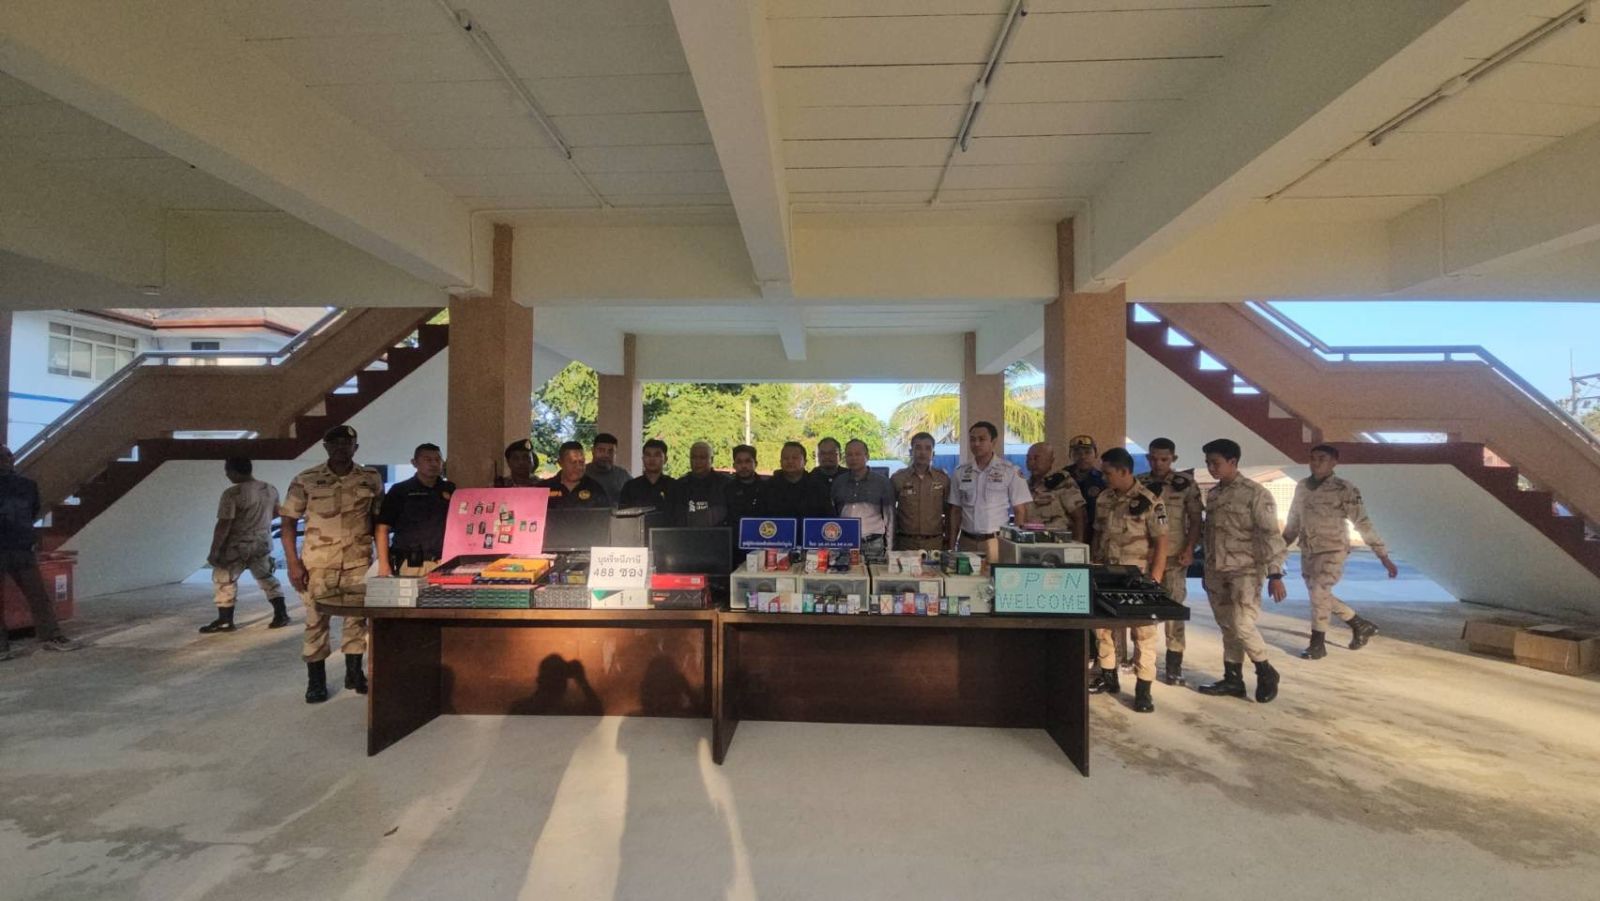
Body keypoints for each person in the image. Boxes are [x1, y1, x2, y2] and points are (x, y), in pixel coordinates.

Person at [279, 425, 383, 703]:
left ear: (355, 448)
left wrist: (381, 561)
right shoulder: (306, 479)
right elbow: (288, 523)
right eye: (334, 443)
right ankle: (316, 681)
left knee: (357, 619)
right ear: (325, 447)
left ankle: (354, 673)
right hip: (318, 564)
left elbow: (377, 520)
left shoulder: (370, 478)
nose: (341, 448)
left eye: (346, 443)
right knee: (316, 620)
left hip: (358, 562)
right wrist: (293, 562)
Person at [1196, 438, 1289, 704]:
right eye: (1208, 463)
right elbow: (1210, 535)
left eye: (1215, 463)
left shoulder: (1256, 494)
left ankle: (1265, 669)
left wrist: (1275, 574)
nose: (1211, 468)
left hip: (1245, 570)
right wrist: (1205, 570)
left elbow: (1271, 535)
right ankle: (1233, 678)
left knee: (1242, 624)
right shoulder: (1214, 494)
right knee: (1227, 625)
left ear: (1233, 462)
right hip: (1217, 570)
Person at [1283, 443, 1393, 659]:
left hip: (1333, 548)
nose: (1315, 463)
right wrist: (1279, 546)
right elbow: (1293, 520)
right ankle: (1359, 624)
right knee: (1319, 595)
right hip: (1309, 549)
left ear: (1334, 462)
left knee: (1318, 592)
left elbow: (1362, 522)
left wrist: (1382, 554)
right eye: (1313, 458)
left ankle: (1317, 644)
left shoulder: (1344, 489)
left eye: (1322, 459)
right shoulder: (1302, 486)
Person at [1088, 448, 1168, 713]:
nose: (1104, 477)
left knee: (1143, 633)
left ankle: (1143, 690)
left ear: (1124, 471)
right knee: (1103, 629)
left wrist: (1155, 579)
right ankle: (1108, 676)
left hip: (1137, 577)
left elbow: (1161, 542)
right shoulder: (1104, 498)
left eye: (1108, 473)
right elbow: (1098, 535)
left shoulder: (1150, 501)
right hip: (1106, 572)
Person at [0, 446, 80, 659]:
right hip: (22, 546)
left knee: (38, 595)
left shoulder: (27, 485)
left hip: (18, 546)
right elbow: (33, 511)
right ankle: (51, 636)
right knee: (38, 596)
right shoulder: (27, 485)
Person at [1140, 437, 1203, 685]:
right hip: (1147, 556)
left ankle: (1174, 664)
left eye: (1164, 459)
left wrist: (1190, 548)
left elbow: (1195, 520)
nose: (1158, 464)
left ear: (1173, 459)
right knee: (1145, 609)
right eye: (1154, 459)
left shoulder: (1185, 484)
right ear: (1148, 458)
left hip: (1175, 556)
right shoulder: (1140, 483)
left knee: (1175, 609)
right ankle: (1142, 660)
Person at [199, 457, 288, 634]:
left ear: (233, 471)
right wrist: (260, 523)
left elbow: (224, 523)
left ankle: (225, 620)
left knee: (224, 579)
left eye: (227, 471)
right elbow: (277, 512)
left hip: (237, 542)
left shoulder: (233, 493)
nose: (227, 475)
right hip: (262, 540)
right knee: (266, 577)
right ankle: (281, 614)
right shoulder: (269, 489)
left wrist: (215, 550)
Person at [945, 421, 1031, 559]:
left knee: (994, 573)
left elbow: (1020, 511)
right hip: (966, 541)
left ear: (993, 442)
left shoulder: (1010, 471)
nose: (976, 444)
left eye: (982, 439)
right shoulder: (960, 472)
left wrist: (1015, 544)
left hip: (996, 541)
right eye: (972, 439)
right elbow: (955, 511)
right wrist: (951, 545)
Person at [375, 443, 455, 578]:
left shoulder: (450, 489)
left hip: (443, 562)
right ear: (414, 462)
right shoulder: (400, 490)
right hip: (411, 564)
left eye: (437, 460)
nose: (434, 464)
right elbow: (382, 528)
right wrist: (383, 564)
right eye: (428, 459)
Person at [832, 438, 895, 557]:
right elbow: (834, 513)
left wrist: (890, 550)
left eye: (858, 454)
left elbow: (890, 518)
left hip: (873, 544)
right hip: (845, 542)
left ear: (867, 456)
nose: (853, 458)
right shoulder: (838, 482)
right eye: (849, 454)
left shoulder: (882, 482)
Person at [890, 432, 950, 553]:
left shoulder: (943, 479)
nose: (923, 452)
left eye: (928, 448)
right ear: (911, 452)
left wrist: (949, 540)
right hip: (905, 543)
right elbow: (889, 512)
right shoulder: (898, 478)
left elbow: (950, 512)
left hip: (934, 544)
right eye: (918, 448)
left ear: (933, 454)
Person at [1024, 441, 1086, 540]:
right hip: (1032, 542)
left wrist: (1078, 544)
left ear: (1050, 460)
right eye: (1028, 458)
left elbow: (1079, 517)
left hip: (1057, 543)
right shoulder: (1026, 485)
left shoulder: (1062, 482)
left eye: (1036, 458)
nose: (1031, 462)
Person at [760, 441, 833, 519]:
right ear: (780, 462)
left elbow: (828, 519)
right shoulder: (769, 487)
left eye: (795, 458)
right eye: (786, 458)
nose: (790, 461)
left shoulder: (818, 487)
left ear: (805, 461)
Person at [668, 441, 729, 526]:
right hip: (687, 533)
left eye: (702, 458)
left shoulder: (725, 485)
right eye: (694, 457)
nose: (698, 461)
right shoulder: (679, 486)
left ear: (711, 460)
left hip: (719, 533)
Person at [1066, 434, 1108, 549]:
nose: (1082, 457)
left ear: (1096, 454)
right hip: (1067, 534)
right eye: (1077, 453)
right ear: (1070, 455)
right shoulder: (1062, 478)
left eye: (1087, 452)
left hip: (1094, 534)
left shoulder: (1103, 480)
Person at [540, 441, 610, 509]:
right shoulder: (543, 488)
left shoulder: (596, 489)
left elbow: (605, 515)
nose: (578, 467)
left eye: (581, 462)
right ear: (560, 463)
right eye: (573, 462)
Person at [618, 439, 677, 508]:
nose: (652, 459)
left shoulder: (674, 487)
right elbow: (623, 513)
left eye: (657, 455)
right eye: (648, 455)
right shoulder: (630, 487)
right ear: (643, 458)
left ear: (665, 459)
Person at [724, 444, 766, 523]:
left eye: (748, 461)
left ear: (756, 464)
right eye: (739, 462)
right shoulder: (727, 490)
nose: (743, 466)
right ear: (734, 465)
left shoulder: (767, 489)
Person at [585, 432, 631, 502]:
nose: (606, 455)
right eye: (601, 450)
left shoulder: (623, 476)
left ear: (615, 453)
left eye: (611, 451)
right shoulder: (580, 473)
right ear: (593, 451)